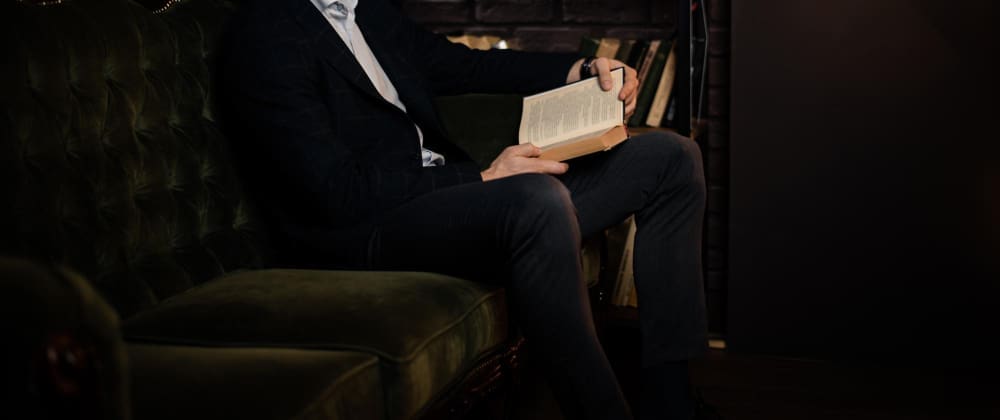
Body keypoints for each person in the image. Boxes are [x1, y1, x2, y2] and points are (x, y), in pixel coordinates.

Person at [217, 0, 709, 418]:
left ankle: (671, 404)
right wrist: (482, 177)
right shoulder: (266, 33)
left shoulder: (367, 12)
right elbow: (335, 192)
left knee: (671, 157)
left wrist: (581, 70)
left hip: (448, 202)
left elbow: (466, 65)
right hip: (369, 228)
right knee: (535, 199)